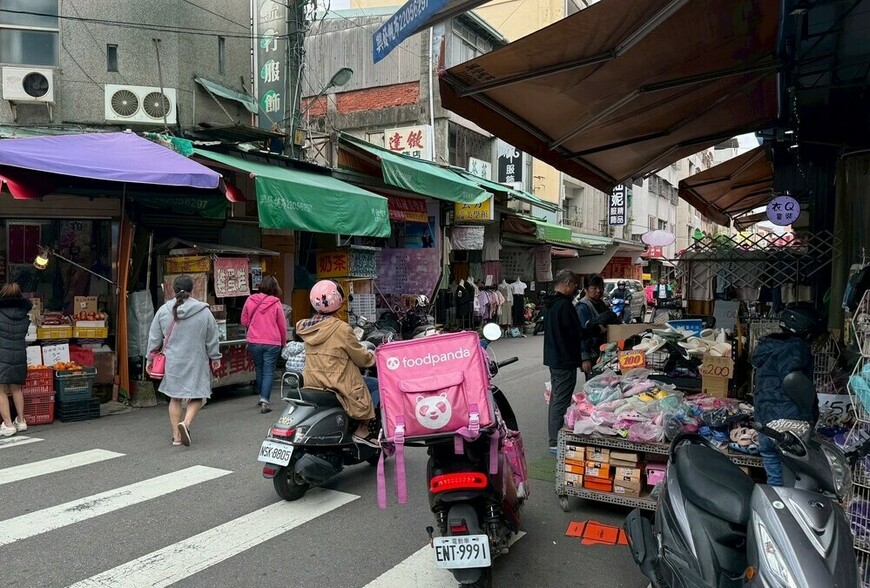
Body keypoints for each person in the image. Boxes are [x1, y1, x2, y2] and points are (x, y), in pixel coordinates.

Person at [295, 280, 380, 447]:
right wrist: (373, 356)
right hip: (336, 381)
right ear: (338, 300)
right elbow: (362, 359)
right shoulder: (342, 328)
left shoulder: (305, 327)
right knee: (376, 385)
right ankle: (363, 428)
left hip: (312, 380)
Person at [147, 275, 222, 447]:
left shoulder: (163, 310)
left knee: (175, 397)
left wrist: (150, 358)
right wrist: (215, 356)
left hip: (173, 361)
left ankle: (176, 437)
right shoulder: (204, 311)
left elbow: (154, 338)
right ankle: (186, 423)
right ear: (192, 289)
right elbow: (212, 337)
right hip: (197, 360)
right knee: (197, 394)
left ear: (172, 289)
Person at [751, 306, 822, 486]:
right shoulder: (795, 348)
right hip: (788, 426)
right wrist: (809, 415)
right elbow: (793, 381)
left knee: (776, 482)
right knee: (794, 487)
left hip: (766, 423)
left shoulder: (769, 347)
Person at [543, 269, 602, 452]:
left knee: (556, 399)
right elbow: (576, 333)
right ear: (567, 283)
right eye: (575, 284)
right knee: (560, 400)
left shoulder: (550, 303)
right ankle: (555, 442)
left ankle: (555, 438)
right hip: (564, 359)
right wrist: (595, 330)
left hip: (554, 358)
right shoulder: (565, 305)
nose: (576, 288)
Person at [241, 275, 287, 413]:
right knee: (269, 371)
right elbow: (282, 325)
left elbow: (244, 320)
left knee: (259, 369)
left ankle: (262, 396)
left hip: (254, 340)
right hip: (272, 342)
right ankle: (265, 400)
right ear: (275, 288)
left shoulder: (250, 299)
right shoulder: (276, 303)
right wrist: (284, 341)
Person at [0, 283, 33, 437]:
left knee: (0, 389)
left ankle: (7, 424)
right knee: (16, 388)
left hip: (1, 354)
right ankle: (21, 421)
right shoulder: (24, 315)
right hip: (19, 353)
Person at [576, 274, 617, 373]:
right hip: (592, 354)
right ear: (586, 289)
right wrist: (585, 358)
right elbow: (582, 335)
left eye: (601, 288)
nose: (598, 291)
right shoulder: (582, 308)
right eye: (594, 288)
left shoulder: (600, 304)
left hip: (603, 353)